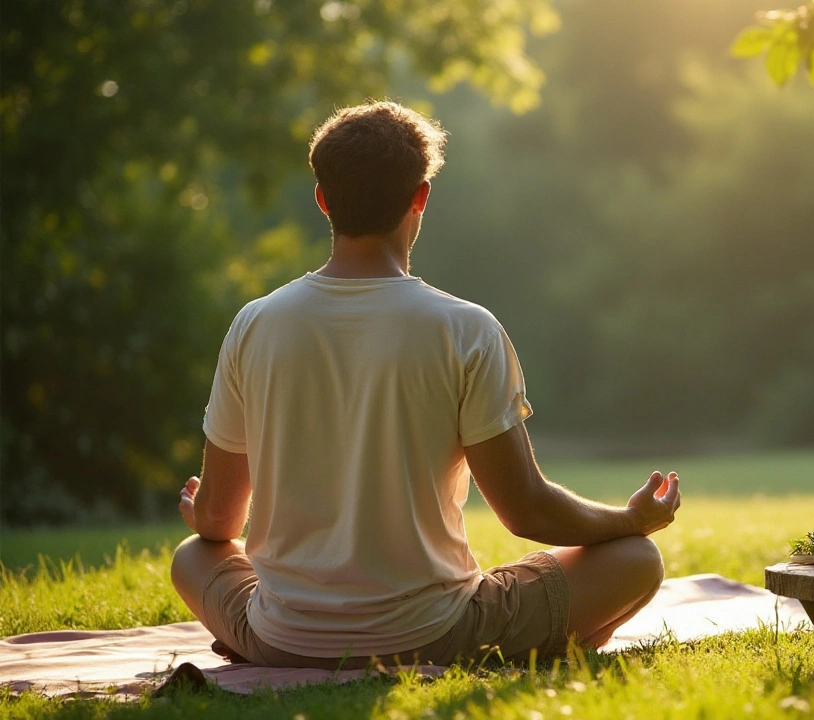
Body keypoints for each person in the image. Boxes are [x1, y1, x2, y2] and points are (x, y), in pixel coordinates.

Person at [169, 101, 681, 669]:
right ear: (421, 196)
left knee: (194, 554)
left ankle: (268, 641)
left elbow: (218, 520)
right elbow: (527, 510)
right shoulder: (465, 329)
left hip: (282, 637)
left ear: (322, 199)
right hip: (435, 634)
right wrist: (630, 522)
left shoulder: (254, 323)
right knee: (637, 560)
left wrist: (205, 517)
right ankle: (550, 636)